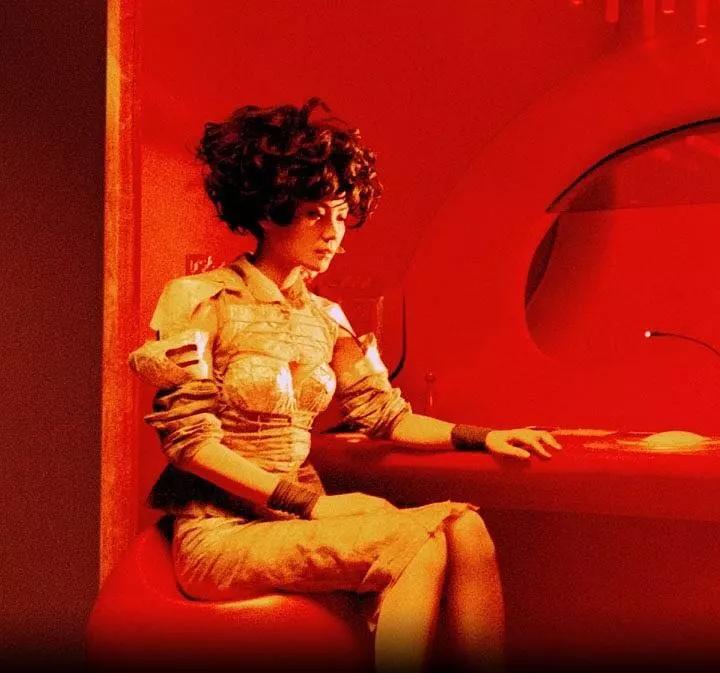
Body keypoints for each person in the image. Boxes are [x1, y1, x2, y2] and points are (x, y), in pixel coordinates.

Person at [128, 98, 561, 673]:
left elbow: (385, 415)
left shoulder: (326, 318)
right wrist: (310, 504)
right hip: (221, 532)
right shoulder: (200, 298)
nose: (333, 233)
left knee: (467, 526)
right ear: (268, 212)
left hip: (295, 519)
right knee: (414, 542)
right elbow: (189, 446)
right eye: (314, 214)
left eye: (339, 214)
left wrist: (483, 437)